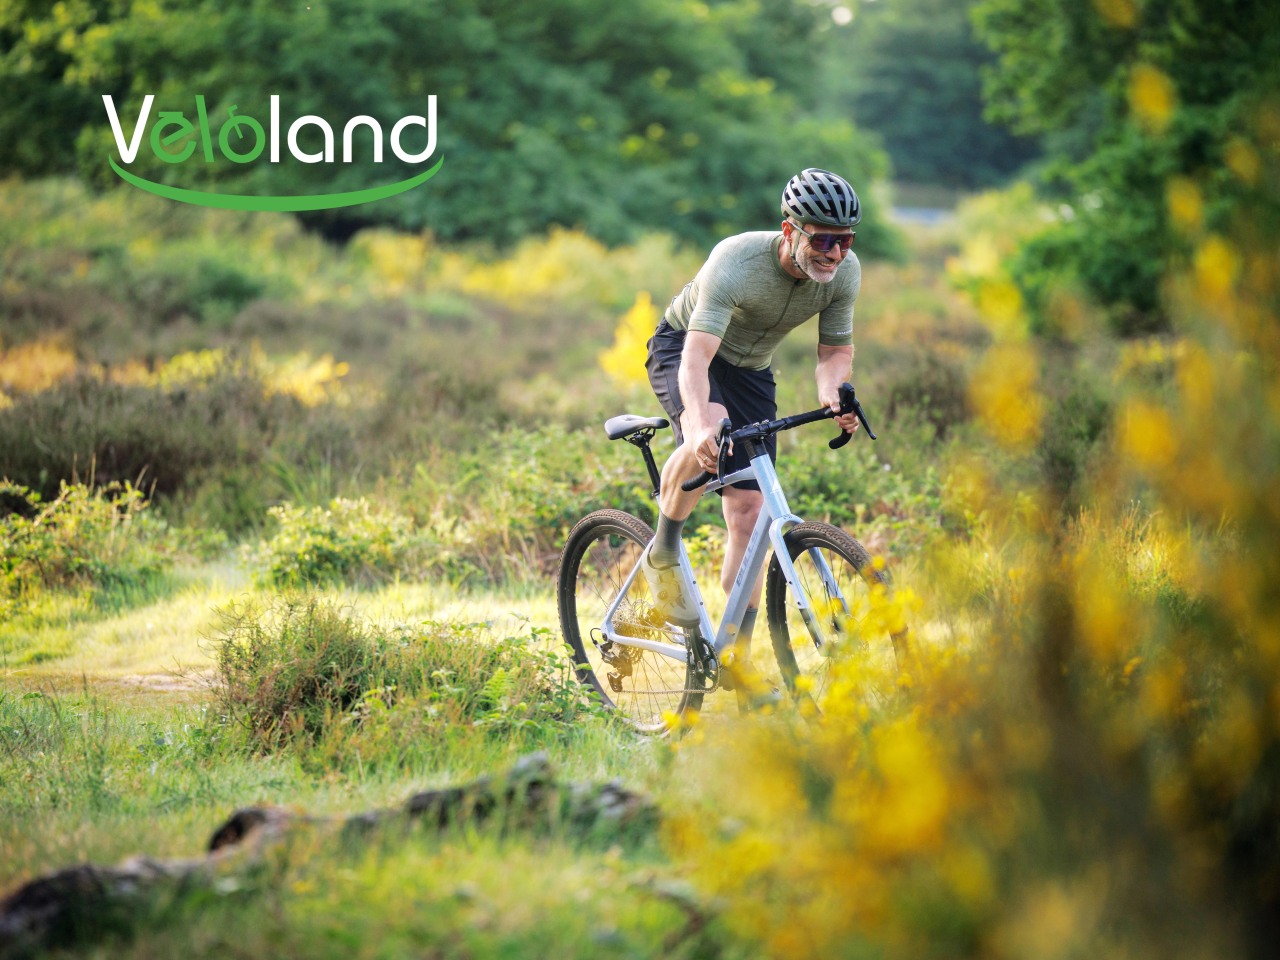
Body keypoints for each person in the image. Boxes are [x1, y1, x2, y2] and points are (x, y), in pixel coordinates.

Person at [641, 167, 864, 665]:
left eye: (845, 240)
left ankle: (735, 664)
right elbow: (696, 360)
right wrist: (698, 422)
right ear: (791, 230)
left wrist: (834, 397)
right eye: (824, 239)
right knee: (710, 430)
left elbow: (833, 353)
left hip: (752, 369)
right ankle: (664, 549)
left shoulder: (843, 273)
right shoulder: (736, 260)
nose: (834, 252)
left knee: (752, 512)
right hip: (687, 348)